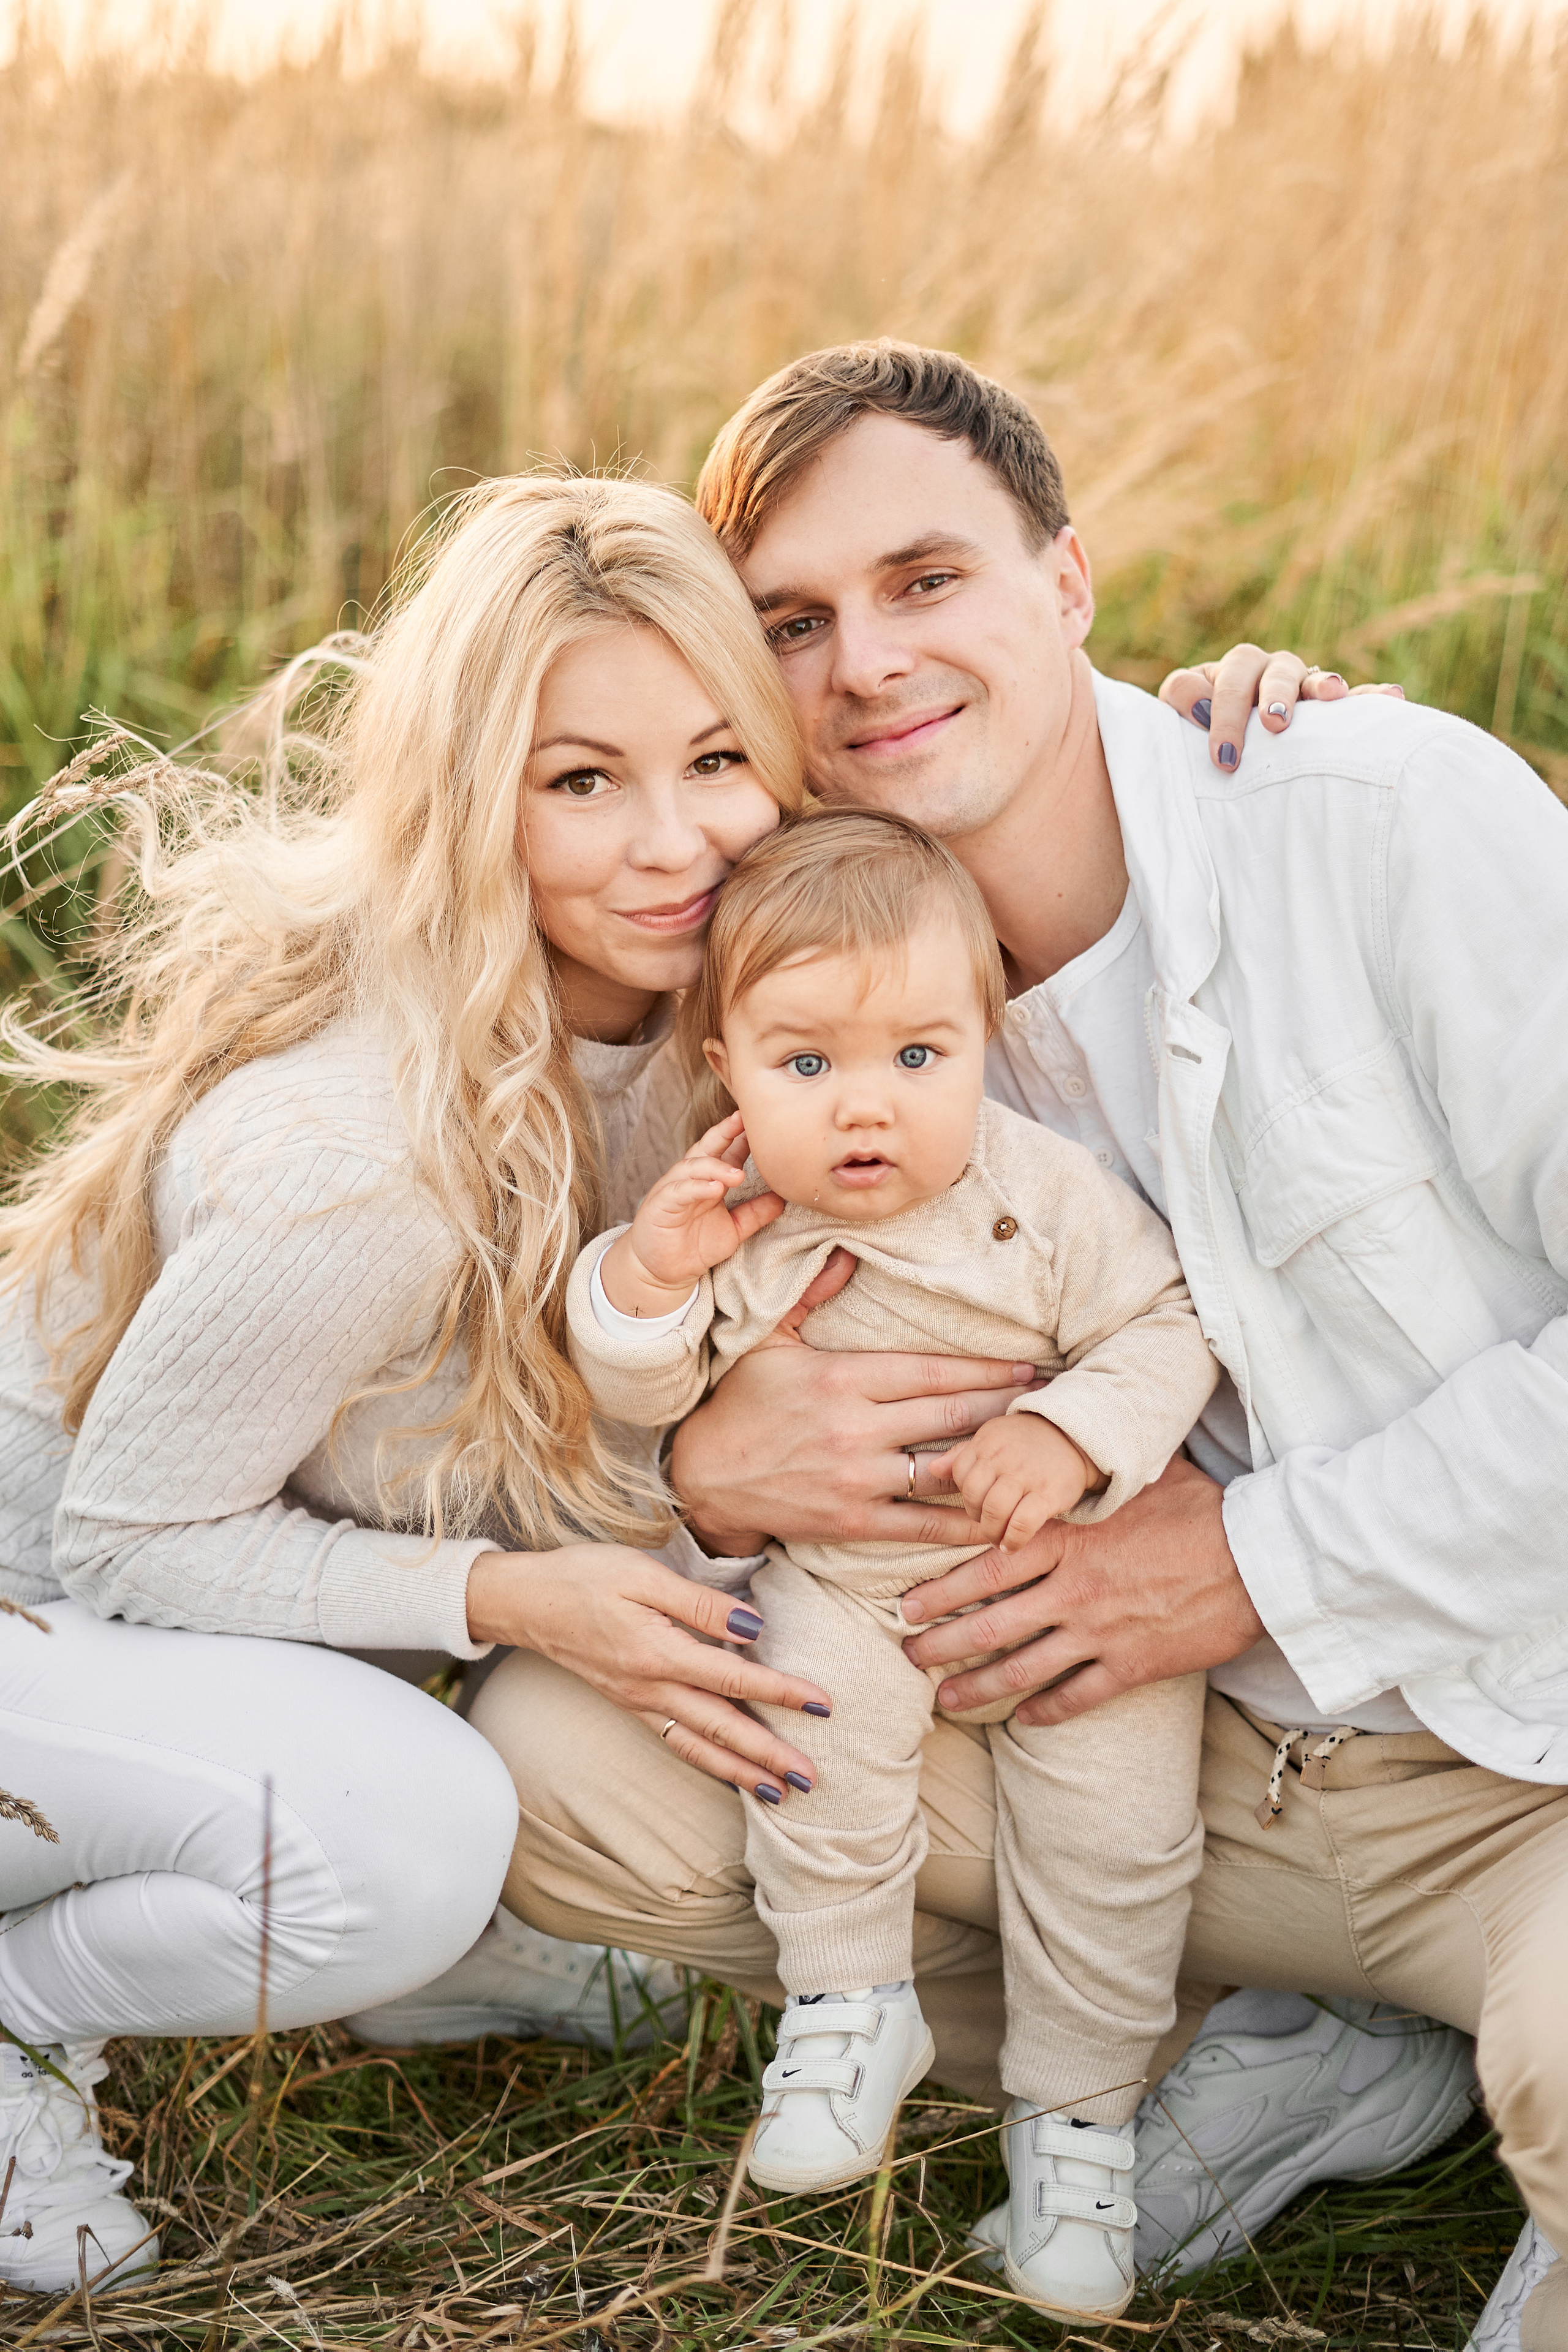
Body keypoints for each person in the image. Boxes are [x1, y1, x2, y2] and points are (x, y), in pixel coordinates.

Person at [478, 344, 1558, 2350]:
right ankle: (1248, 2037)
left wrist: (1249, 1559)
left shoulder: (1379, 822)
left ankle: (1447, 2037)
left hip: (1523, 1757)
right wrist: (701, 1467)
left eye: (926, 579)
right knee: (564, 1765)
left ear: (1069, 579)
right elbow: (641, 1340)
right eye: (792, 623)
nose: (867, 662)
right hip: (1170, 1764)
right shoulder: (813, 981)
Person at [0, 473, 842, 2293]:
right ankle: (16, 2022)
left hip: (162, 1635)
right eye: (580, 782)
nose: (675, 842)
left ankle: (444, 1952)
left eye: (718, 757)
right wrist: (513, 1595)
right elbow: (129, 1536)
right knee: (407, 1840)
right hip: (39, 1608)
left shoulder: (709, 1011)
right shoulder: (368, 1151)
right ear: (473, 808)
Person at [568, 807, 1218, 2321]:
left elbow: (1165, 1327)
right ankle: (851, 2002)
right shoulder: (725, 1210)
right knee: (810, 1735)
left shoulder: (1041, 1190)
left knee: (1114, 1851)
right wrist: (642, 1281)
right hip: (843, 1586)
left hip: (1061, 1584)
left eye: (917, 1057)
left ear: (985, 1039)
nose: (867, 1110)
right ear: (723, 1066)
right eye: (807, 1066)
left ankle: (1076, 2130)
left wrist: (1067, 1434)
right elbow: (636, 1391)